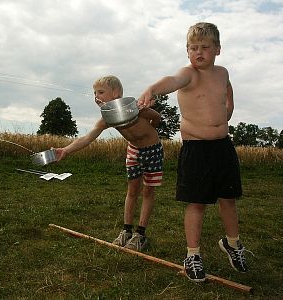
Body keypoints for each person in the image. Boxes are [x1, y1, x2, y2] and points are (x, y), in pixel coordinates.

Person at [138, 22, 247, 282]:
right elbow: (171, 81)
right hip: (196, 149)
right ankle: (193, 255)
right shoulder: (188, 74)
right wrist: (152, 89)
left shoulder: (222, 73)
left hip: (223, 146)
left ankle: (233, 244)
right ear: (187, 52)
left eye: (205, 48)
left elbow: (227, 89)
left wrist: (229, 105)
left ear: (217, 49)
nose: (199, 52)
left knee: (228, 199)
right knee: (196, 203)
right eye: (193, 48)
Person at [54, 75, 164, 252]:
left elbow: (156, 117)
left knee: (148, 191)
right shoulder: (107, 118)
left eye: (101, 92)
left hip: (153, 150)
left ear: (116, 92)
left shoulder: (134, 107)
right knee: (132, 190)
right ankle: (126, 231)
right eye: (94, 93)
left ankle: (140, 234)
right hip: (133, 151)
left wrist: (150, 130)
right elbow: (88, 137)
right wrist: (66, 150)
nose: (96, 96)